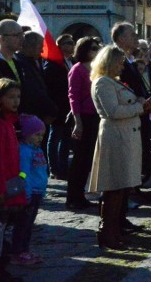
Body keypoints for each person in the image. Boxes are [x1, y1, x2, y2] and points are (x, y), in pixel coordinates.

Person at [88, 45, 151, 250]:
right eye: (119, 62)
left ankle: (115, 229)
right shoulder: (102, 83)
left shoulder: (114, 82)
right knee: (114, 185)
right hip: (115, 137)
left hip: (126, 137)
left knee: (121, 186)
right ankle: (107, 230)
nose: (122, 67)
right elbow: (113, 111)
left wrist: (140, 102)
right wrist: (139, 107)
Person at [0, 78, 26, 281]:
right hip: (2, 184)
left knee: (1, 226)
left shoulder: (9, 122)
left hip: (9, 180)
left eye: (18, 97)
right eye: (11, 97)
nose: (16, 101)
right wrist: (0, 188)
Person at [66, 37, 101, 210]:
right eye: (93, 48)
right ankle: (72, 197)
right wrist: (77, 121)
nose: (96, 51)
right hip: (82, 117)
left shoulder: (96, 69)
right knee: (79, 159)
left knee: (88, 159)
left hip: (95, 117)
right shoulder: (77, 69)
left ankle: (80, 195)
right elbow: (73, 97)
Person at [10, 114, 48, 266]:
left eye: (42, 135)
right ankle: (18, 251)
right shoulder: (25, 151)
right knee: (22, 225)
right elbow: (24, 173)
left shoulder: (36, 149)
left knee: (29, 225)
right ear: (27, 134)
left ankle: (24, 250)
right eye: (37, 134)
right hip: (29, 194)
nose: (40, 138)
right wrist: (26, 193)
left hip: (37, 192)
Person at [44, 33, 75, 181]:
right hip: (58, 106)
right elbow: (50, 86)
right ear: (59, 46)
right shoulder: (53, 63)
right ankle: (54, 168)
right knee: (54, 138)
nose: (70, 46)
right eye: (67, 43)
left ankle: (63, 167)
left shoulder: (73, 62)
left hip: (70, 107)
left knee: (66, 139)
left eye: (71, 43)